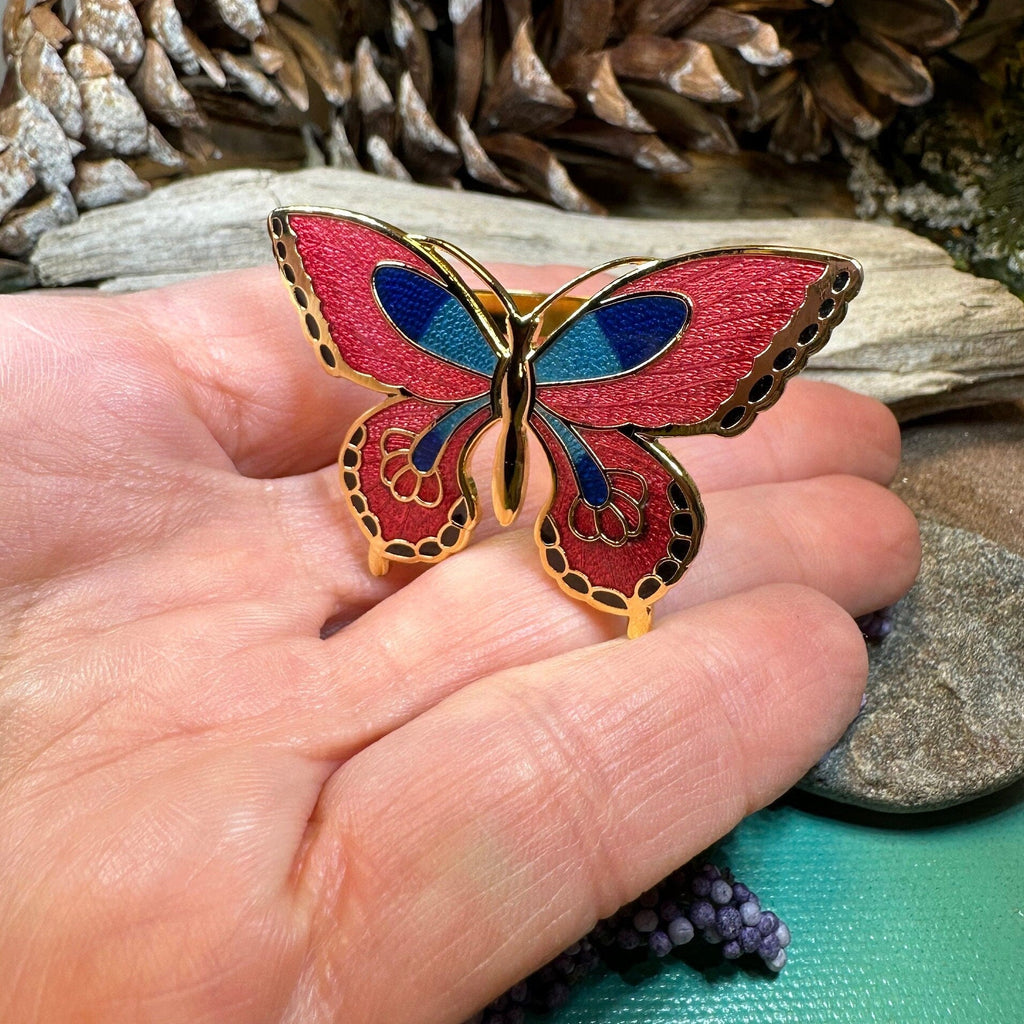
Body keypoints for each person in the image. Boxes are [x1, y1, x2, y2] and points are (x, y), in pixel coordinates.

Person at [0, 264, 919, 1023]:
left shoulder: (467, 329)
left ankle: (488, 526)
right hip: (552, 448)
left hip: (470, 435)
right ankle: (454, 523)